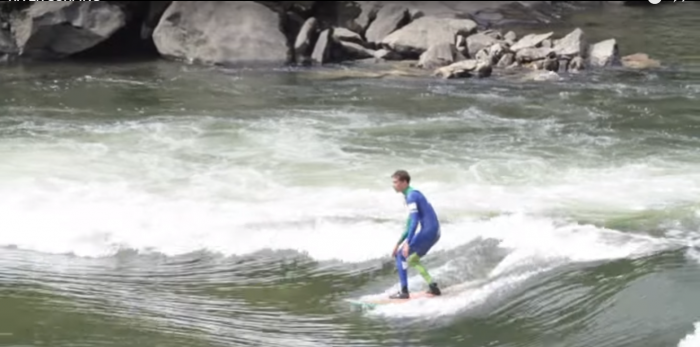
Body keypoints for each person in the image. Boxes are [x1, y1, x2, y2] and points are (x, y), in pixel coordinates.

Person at [389, 169, 441, 299]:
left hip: (428, 231)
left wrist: (407, 243)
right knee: (412, 259)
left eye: (396, 182)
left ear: (404, 182)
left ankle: (404, 292)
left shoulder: (411, 196)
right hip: (435, 231)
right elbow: (410, 223)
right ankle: (433, 286)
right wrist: (398, 243)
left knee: (401, 255)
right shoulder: (411, 195)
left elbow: (415, 221)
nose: (393, 185)